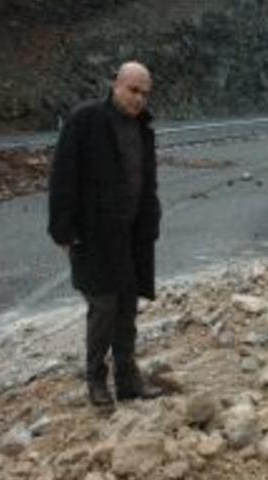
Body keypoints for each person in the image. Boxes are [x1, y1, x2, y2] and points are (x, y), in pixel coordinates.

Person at [48, 61, 163, 407]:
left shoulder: (143, 128)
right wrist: (62, 230)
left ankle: (128, 380)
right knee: (103, 307)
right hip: (93, 234)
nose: (139, 99)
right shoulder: (86, 120)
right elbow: (62, 175)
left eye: (145, 93)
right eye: (133, 90)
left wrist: (151, 220)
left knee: (127, 307)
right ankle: (96, 380)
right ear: (116, 85)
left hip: (131, 237)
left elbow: (146, 182)